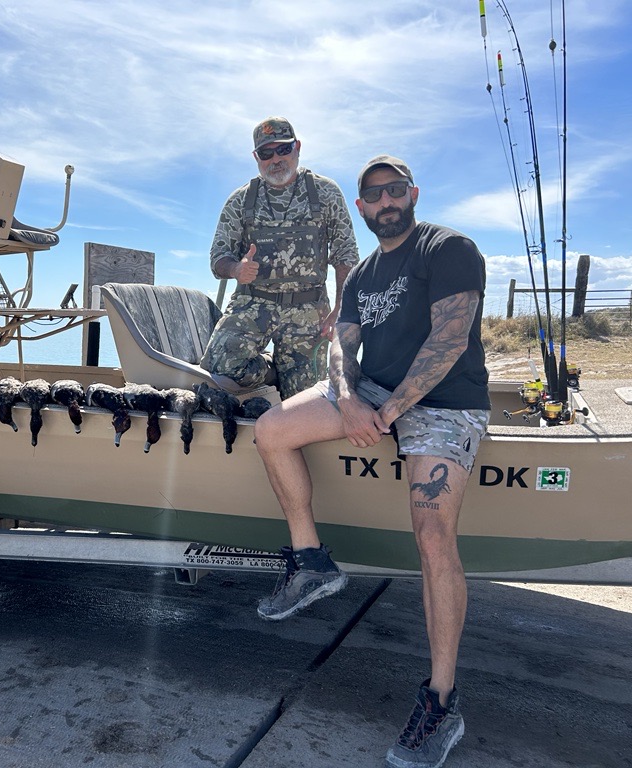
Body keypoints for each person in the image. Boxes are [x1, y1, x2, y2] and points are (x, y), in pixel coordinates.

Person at [253, 155, 490, 768]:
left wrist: (385, 414)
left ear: (413, 193)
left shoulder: (448, 249)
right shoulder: (360, 273)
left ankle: (441, 702)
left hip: (443, 401)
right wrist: (350, 399)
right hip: (374, 395)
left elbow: (449, 340)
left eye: (394, 191)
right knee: (272, 429)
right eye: (374, 195)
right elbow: (341, 345)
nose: (385, 202)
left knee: (433, 535)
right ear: (360, 207)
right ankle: (311, 563)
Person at [200, 116, 359, 399]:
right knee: (218, 366)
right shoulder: (240, 200)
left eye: (283, 149)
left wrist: (340, 309)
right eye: (266, 153)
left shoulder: (326, 192)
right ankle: (274, 372)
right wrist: (236, 269)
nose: (276, 159)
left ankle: (290, 377)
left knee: (305, 398)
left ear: (297, 148)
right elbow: (218, 257)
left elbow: (345, 254)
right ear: (256, 157)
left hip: (308, 309)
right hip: (253, 303)